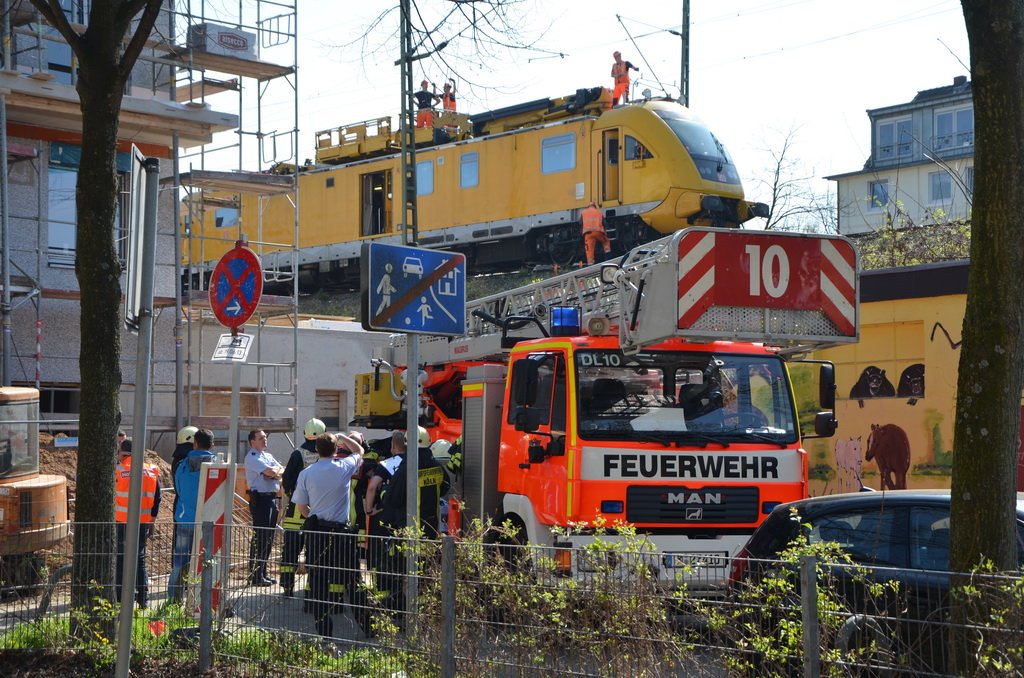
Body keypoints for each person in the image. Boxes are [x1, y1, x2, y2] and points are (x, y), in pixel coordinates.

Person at [292, 432, 362, 640]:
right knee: (353, 580)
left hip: (318, 534)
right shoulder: (343, 467)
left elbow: (302, 508)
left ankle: (324, 633)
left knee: (320, 581)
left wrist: (315, 513)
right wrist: (343, 436)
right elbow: (359, 451)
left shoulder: (306, 473)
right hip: (341, 533)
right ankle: (367, 625)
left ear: (316, 450)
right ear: (336, 449)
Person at [280, 418, 326, 597]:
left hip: (296, 511)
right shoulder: (327, 454)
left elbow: (287, 482)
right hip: (319, 510)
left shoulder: (297, 454)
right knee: (315, 551)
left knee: (290, 549)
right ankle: (311, 589)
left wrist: (293, 498)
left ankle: (286, 586)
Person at [169, 428, 215, 603]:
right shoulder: (217, 465)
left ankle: (173, 601)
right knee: (210, 561)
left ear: (195, 443)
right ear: (212, 444)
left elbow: (179, 490)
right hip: (210, 521)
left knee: (180, 561)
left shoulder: (181, 465)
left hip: (185, 518)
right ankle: (205, 602)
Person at [114, 437, 161, 608]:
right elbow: (158, 498)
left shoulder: (118, 471)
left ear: (123, 453)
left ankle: (120, 599)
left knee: (120, 559)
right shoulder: (152, 471)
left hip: (121, 522)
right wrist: (152, 521)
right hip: (142, 522)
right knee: (139, 559)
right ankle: (143, 599)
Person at [245, 429, 284, 586]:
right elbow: (270, 471)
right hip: (260, 500)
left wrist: (274, 473)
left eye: (265, 438)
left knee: (268, 538)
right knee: (260, 537)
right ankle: (255, 574)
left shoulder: (268, 456)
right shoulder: (252, 457)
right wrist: (272, 473)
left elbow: (282, 469)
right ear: (252, 442)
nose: (264, 440)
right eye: (261, 438)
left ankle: (263, 572)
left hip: (272, 498)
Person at [581, 201, 611, 266]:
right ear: (594, 206)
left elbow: (580, 223)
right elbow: (604, 223)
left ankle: (590, 264)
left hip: (588, 234)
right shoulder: (599, 212)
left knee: (589, 250)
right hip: (598, 232)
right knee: (606, 242)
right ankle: (608, 259)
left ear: (588, 206)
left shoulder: (583, 212)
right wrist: (606, 230)